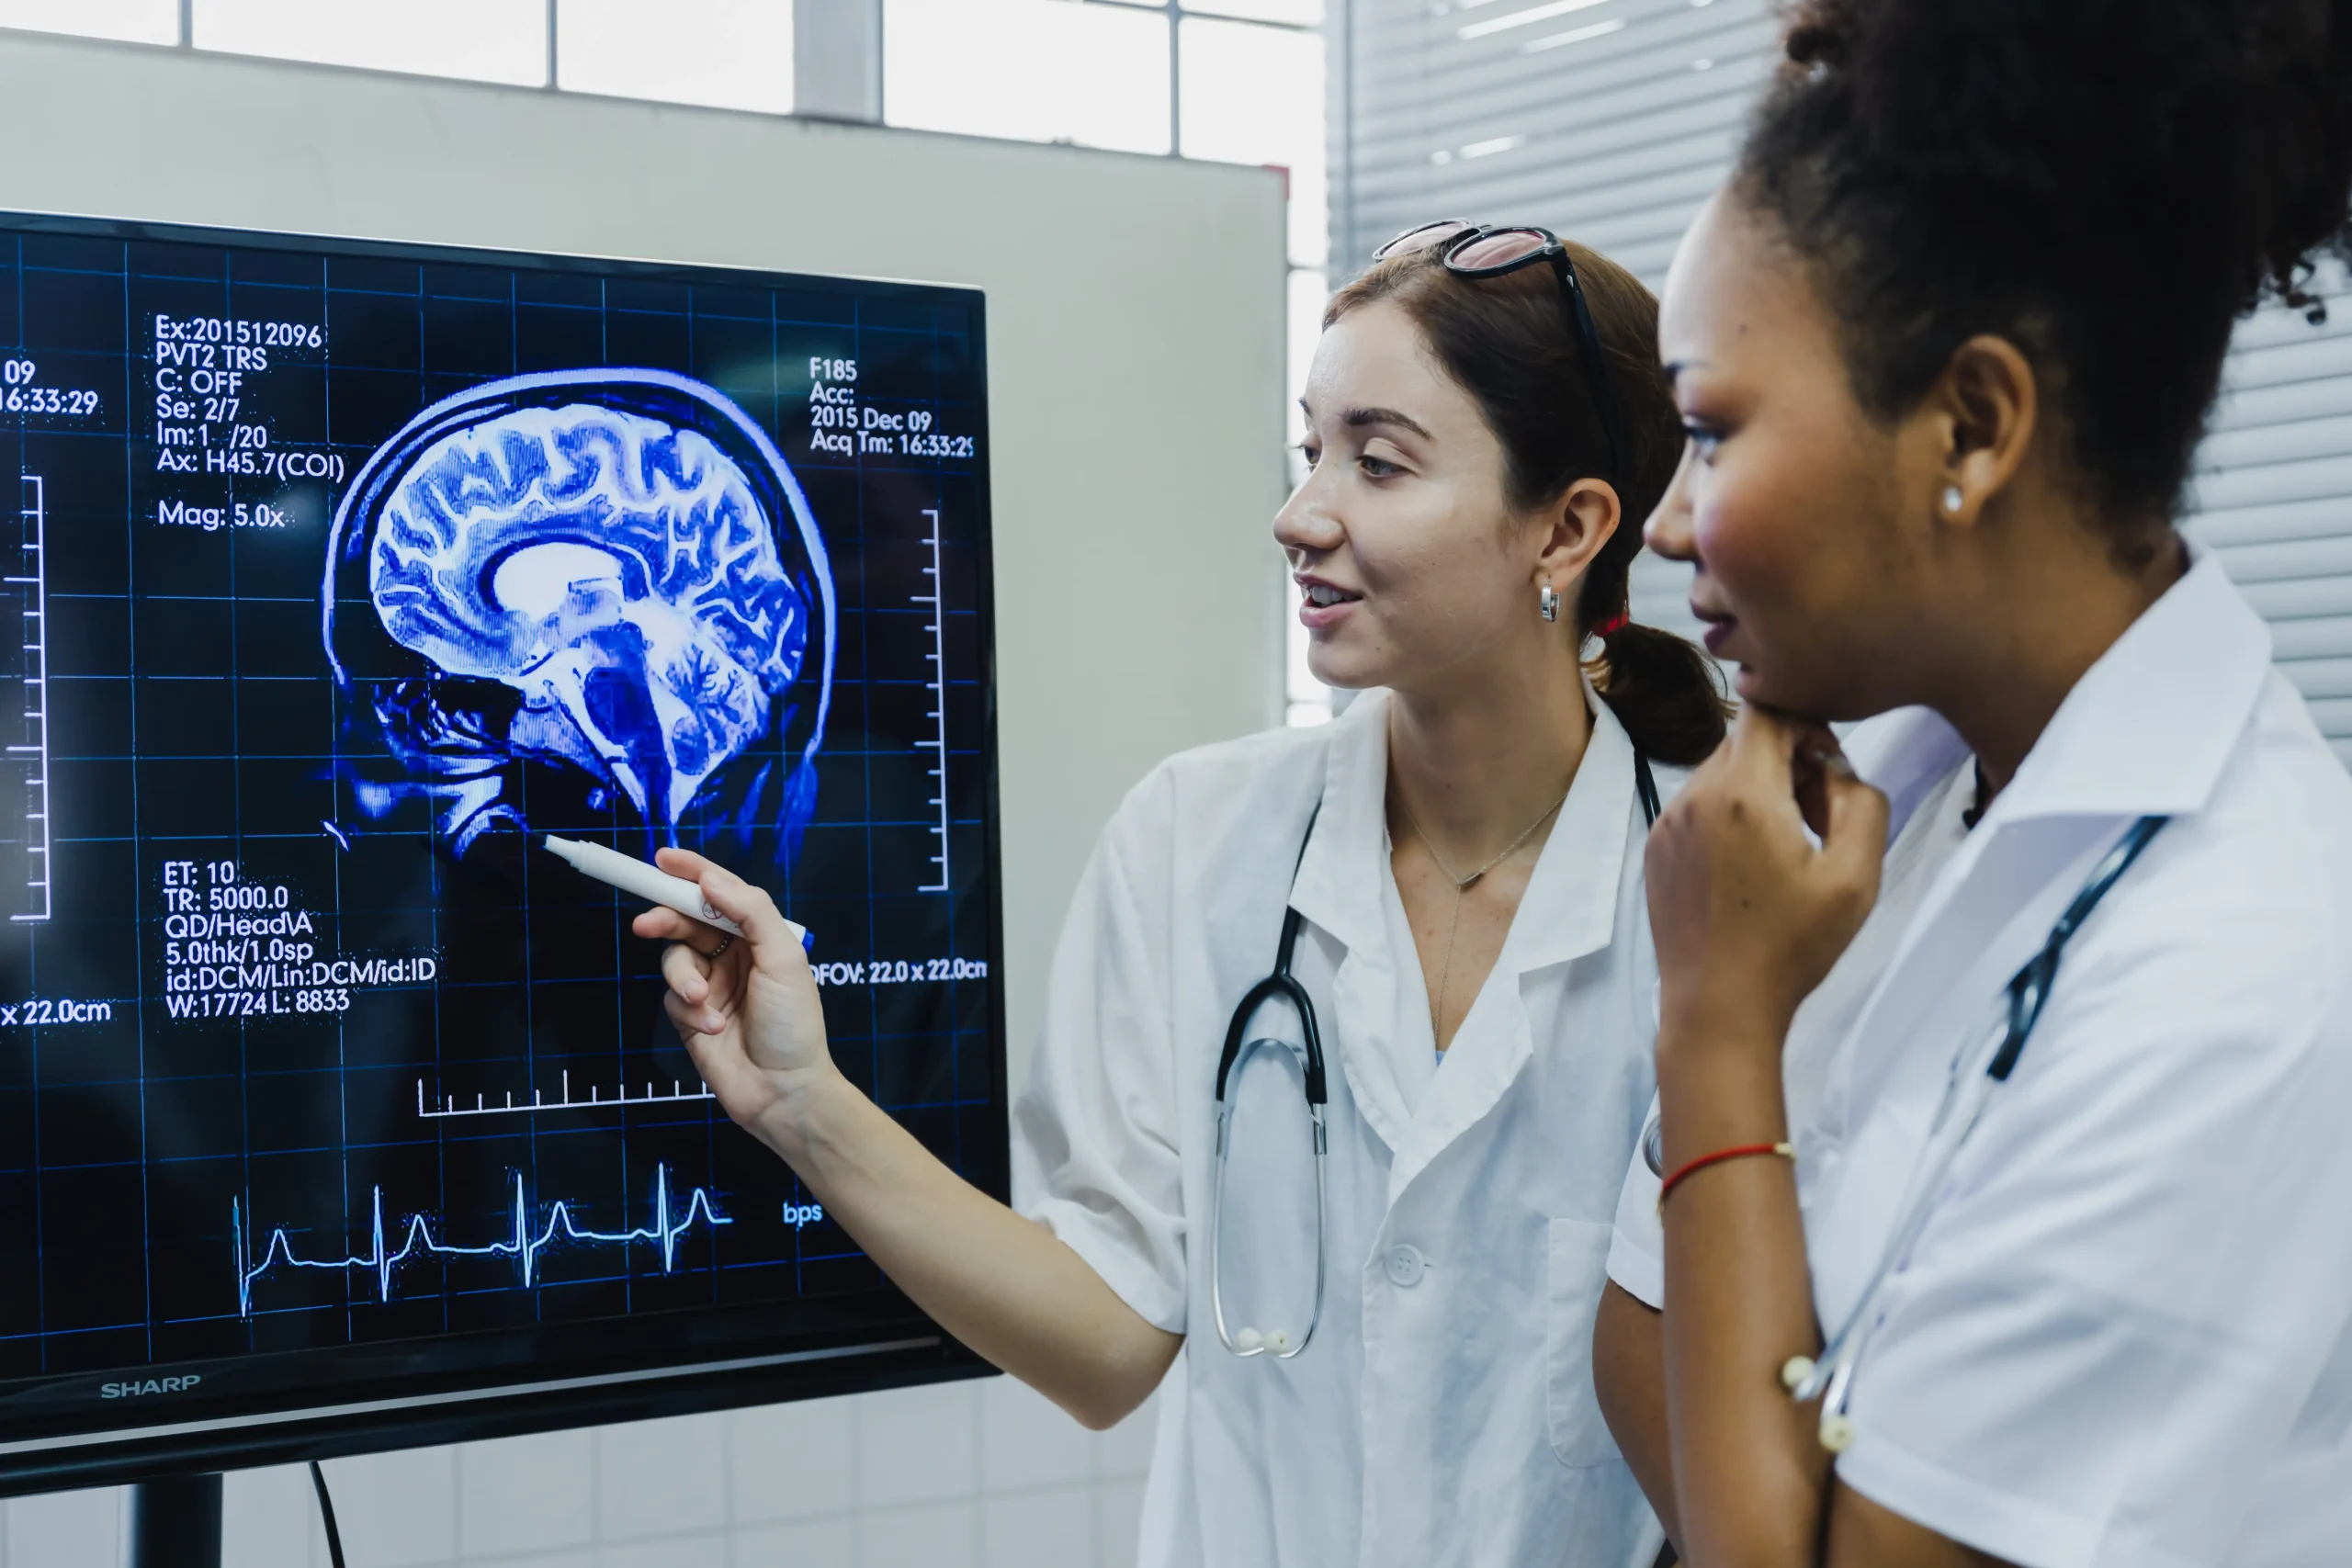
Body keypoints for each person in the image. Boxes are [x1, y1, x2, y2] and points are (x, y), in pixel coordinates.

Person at [633, 223, 1726, 1568]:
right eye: (1309, 446)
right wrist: (804, 1106)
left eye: (1377, 462)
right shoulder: (1197, 837)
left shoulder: (1724, 905)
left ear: (1566, 528)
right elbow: (1104, 1340)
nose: (1300, 512)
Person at [1593, 2, 2352, 1565]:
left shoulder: (2246, 970)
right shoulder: (1882, 792)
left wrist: (1719, 1032)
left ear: (1974, 425)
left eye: (1712, 431)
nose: (1666, 527)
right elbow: (1633, 1354)